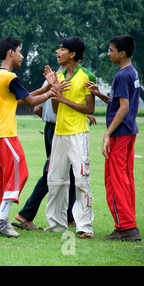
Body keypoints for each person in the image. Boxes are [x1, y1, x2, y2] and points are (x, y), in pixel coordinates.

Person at [0, 36, 65, 238]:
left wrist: (46, 89)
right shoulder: (10, 77)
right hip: (5, 133)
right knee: (21, 171)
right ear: (11, 53)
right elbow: (30, 102)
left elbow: (18, 100)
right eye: (20, 52)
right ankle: (2, 219)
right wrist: (52, 92)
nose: (22, 56)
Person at [85, 35, 141, 242]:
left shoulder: (121, 76)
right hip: (129, 131)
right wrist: (99, 95)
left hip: (119, 134)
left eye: (111, 50)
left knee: (114, 180)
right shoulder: (132, 72)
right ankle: (129, 224)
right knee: (126, 179)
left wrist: (107, 134)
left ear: (122, 53)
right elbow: (119, 103)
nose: (108, 53)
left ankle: (126, 227)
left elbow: (124, 108)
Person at [13, 67, 77, 231]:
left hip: (50, 129)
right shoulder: (67, 80)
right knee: (52, 173)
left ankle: (70, 217)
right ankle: (26, 214)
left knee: (69, 173)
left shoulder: (49, 78)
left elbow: (37, 108)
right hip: (60, 130)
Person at [44, 37, 96, 239]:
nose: (58, 52)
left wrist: (64, 98)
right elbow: (57, 109)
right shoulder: (59, 75)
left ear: (72, 54)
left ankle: (84, 226)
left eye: (62, 49)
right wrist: (55, 90)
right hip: (59, 133)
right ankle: (56, 224)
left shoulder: (86, 76)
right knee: (55, 180)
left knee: (81, 180)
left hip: (78, 134)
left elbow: (90, 108)